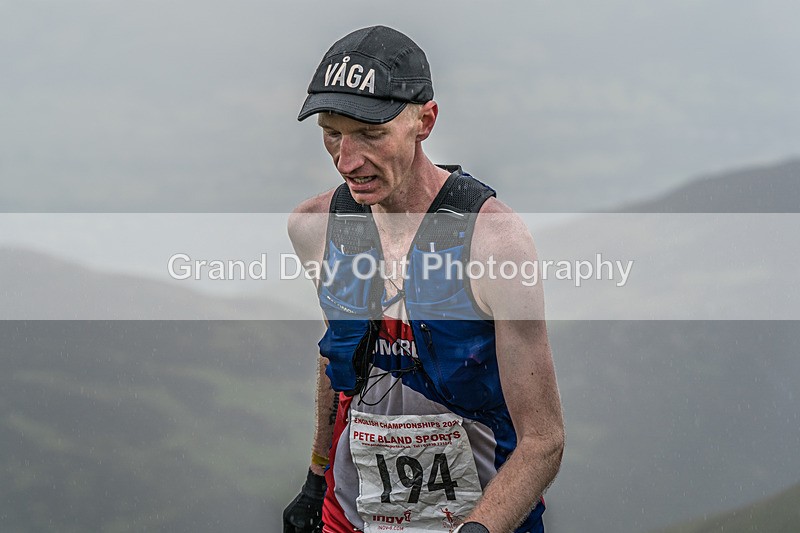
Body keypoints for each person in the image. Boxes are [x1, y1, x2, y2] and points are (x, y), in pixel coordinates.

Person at [283, 25, 564, 533]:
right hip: (349, 518)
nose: (347, 161)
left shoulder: (494, 243)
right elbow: (338, 355)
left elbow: (543, 441)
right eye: (332, 132)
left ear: (425, 121)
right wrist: (315, 477)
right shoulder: (316, 228)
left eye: (370, 134)